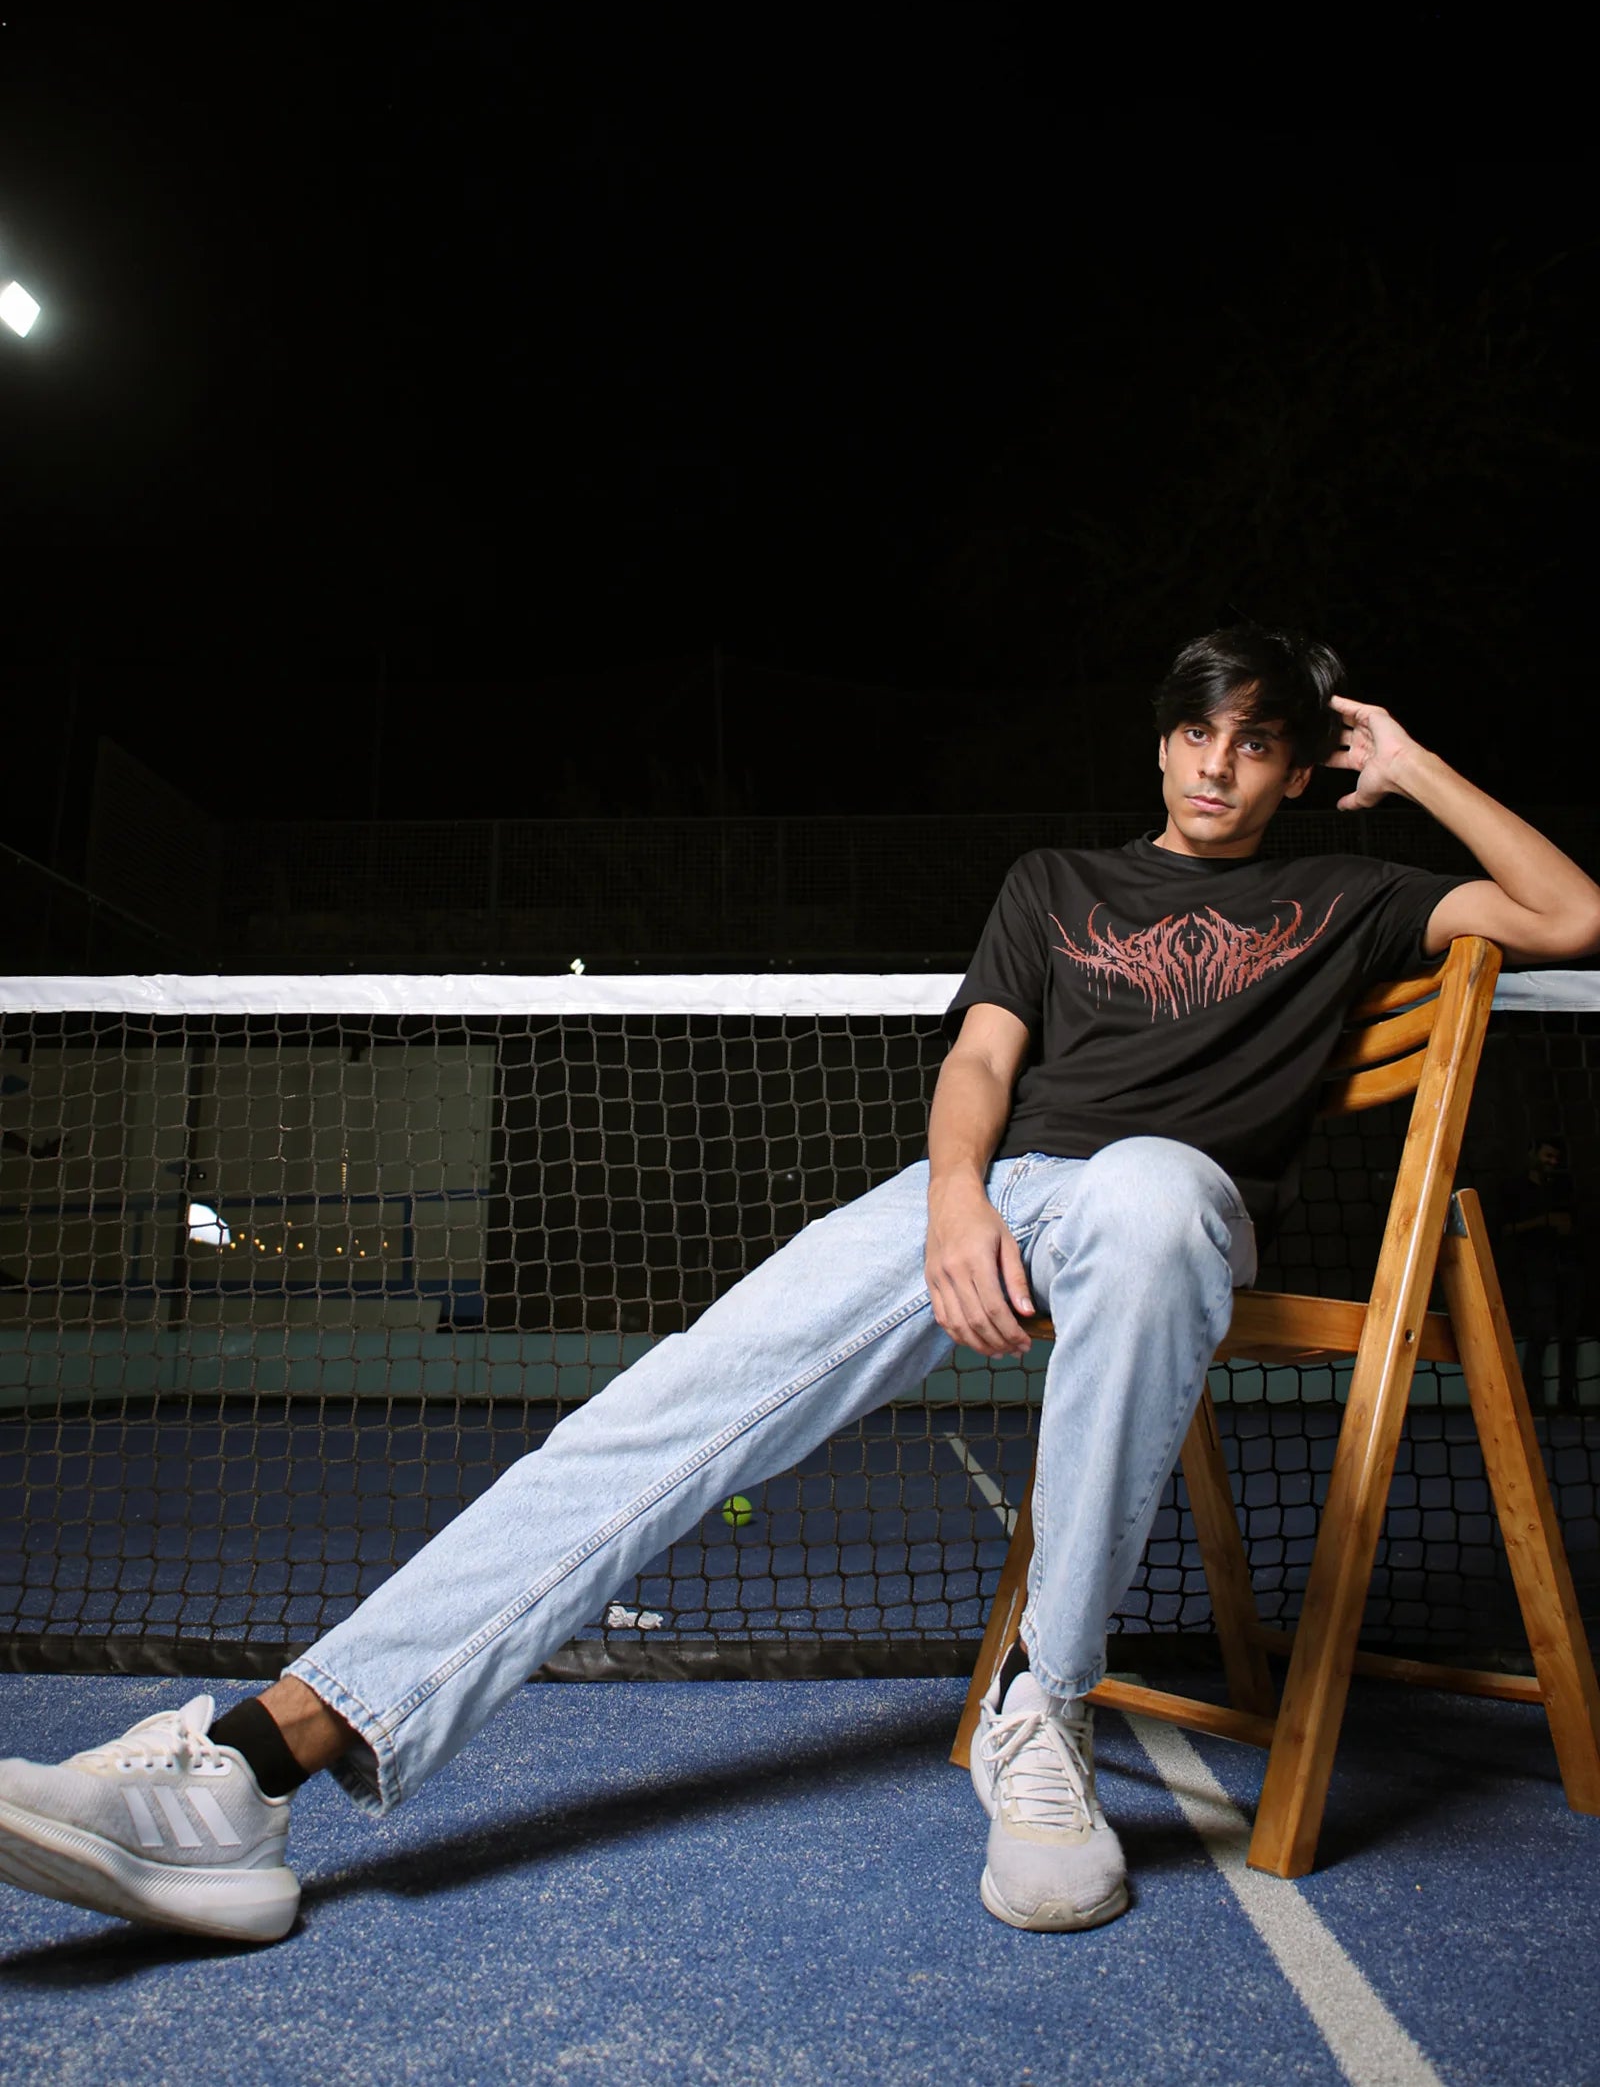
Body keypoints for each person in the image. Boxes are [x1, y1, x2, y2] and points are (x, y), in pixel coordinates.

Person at [3, 626, 1598, 1946]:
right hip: (994, 1195)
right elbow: (982, 1059)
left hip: (1167, 1208)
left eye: (1258, 743)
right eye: (1198, 732)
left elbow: (1571, 912)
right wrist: (958, 1204)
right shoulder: (1056, 884)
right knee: (665, 1410)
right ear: (1161, 744)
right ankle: (256, 1761)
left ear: (1299, 763)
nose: (1217, 764)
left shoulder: (1347, 899)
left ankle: (1046, 1714)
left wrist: (1408, 768)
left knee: (1159, 1192)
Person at [1500, 1137, 1585, 1410]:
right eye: (1547, 1156)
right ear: (1533, 1153)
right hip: (1535, 1269)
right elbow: (1504, 1230)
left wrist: (1566, 1227)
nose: (1551, 1162)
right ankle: (1530, 1400)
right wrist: (1542, 1222)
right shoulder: (1516, 1189)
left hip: (1566, 1266)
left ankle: (1567, 1397)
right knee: (1541, 1331)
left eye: (1555, 1158)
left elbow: (1575, 1224)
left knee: (1569, 1333)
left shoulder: (1562, 1187)